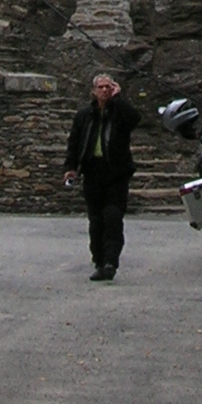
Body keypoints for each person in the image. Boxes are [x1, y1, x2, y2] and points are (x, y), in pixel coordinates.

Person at [64, 73, 139, 282]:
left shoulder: (119, 113)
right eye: (101, 87)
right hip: (93, 172)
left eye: (109, 87)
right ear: (94, 91)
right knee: (96, 220)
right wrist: (71, 167)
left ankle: (110, 262)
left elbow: (135, 119)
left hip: (116, 173)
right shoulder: (84, 116)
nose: (105, 90)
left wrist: (119, 99)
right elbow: (74, 142)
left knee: (113, 217)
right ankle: (99, 260)